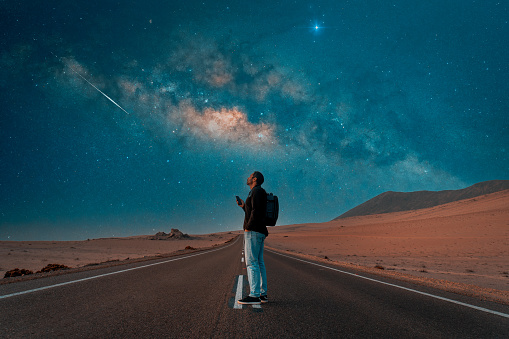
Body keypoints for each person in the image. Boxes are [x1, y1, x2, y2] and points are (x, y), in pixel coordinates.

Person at [237, 171, 269, 305]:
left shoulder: (256, 192)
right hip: (259, 231)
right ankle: (262, 294)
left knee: (251, 263)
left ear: (254, 179)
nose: (248, 177)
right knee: (259, 263)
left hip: (254, 232)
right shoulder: (257, 192)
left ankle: (254, 295)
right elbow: (253, 211)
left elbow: (256, 212)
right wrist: (244, 206)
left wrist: (248, 227)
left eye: (250, 175)